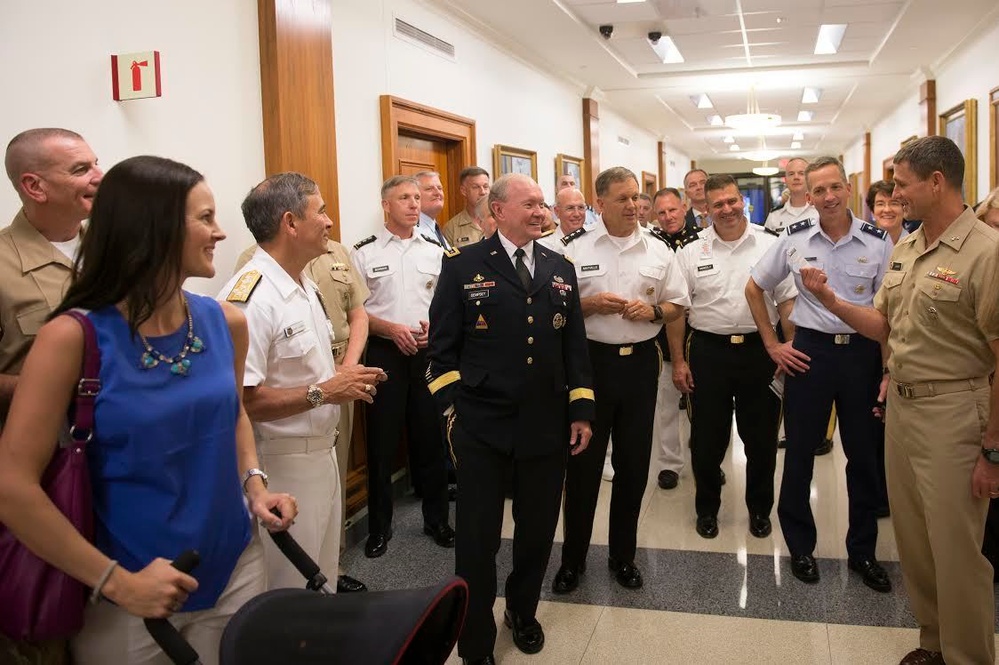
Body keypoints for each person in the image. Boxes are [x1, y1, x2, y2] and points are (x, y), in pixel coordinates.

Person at [0, 156, 299, 665]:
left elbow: (233, 414)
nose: (220, 232)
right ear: (152, 228)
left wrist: (254, 483)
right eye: (205, 218)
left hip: (235, 562)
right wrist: (115, 582)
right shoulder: (71, 337)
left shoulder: (226, 321)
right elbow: (12, 486)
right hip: (128, 587)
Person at [799, 136, 999, 665]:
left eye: (903, 184)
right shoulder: (908, 247)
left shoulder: (986, 252)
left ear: (936, 182)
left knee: (957, 553)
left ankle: (969, 657)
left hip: (956, 412)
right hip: (904, 408)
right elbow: (883, 324)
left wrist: (994, 449)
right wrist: (830, 301)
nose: (895, 194)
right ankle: (934, 642)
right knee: (915, 542)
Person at [426, 173, 594, 664]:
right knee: (477, 542)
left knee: (538, 532)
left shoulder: (561, 266)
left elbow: (575, 350)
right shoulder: (462, 266)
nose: (542, 212)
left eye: (544, 204)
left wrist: (581, 409)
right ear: (498, 211)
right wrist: (455, 410)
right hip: (482, 428)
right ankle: (474, 638)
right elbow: (440, 355)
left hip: (546, 426)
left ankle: (523, 612)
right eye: (531, 204)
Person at [220, 173, 385, 593]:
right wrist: (326, 391)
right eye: (322, 211)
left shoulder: (303, 282)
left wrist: (343, 377)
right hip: (281, 464)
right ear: (290, 223)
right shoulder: (252, 297)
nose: (330, 221)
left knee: (323, 573)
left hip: (322, 453)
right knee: (291, 586)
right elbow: (242, 401)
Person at [746, 156, 893, 593]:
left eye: (835, 187)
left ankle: (863, 551)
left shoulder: (879, 241)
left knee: (864, 458)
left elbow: (889, 314)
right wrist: (773, 344)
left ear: (847, 189)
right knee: (799, 455)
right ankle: (801, 548)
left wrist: (887, 369)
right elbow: (755, 286)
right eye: (819, 191)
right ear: (807, 196)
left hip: (862, 356)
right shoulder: (792, 239)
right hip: (809, 354)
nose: (828, 197)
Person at [552, 167, 689, 594]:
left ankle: (623, 557)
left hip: (639, 366)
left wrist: (652, 313)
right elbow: (553, 310)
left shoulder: (659, 250)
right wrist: (587, 305)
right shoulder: (571, 249)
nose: (633, 206)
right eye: (623, 199)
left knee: (633, 466)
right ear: (601, 204)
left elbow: (677, 304)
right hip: (589, 366)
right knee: (583, 467)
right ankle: (572, 560)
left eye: (636, 198)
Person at [668, 175, 795, 539]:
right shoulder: (690, 251)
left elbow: (787, 302)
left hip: (761, 351)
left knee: (762, 440)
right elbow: (677, 311)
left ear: (744, 202)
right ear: (705, 208)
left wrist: (789, 347)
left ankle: (759, 511)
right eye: (717, 204)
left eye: (731, 201)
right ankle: (707, 510)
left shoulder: (771, 245)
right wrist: (678, 360)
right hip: (709, 352)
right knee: (707, 441)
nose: (726, 209)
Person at [351, 176, 454, 559]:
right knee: (381, 442)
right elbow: (356, 314)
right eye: (404, 198)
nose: (414, 204)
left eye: (416, 197)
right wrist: (390, 329)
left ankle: (437, 520)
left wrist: (437, 329)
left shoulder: (435, 249)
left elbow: (447, 304)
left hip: (427, 353)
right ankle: (379, 528)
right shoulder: (363, 253)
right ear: (386, 205)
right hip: (384, 354)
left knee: (431, 438)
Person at [0, 129, 102, 426]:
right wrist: (70, 392)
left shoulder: (117, 249)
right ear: (35, 187)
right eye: (81, 170)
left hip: (122, 449)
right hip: (41, 454)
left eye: (96, 163)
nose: (100, 176)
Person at [650, 187, 701, 490]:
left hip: (699, 334)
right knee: (665, 404)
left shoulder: (702, 240)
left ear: (684, 208)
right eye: (661, 212)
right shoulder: (651, 245)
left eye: (673, 210)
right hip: (662, 336)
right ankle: (669, 463)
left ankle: (706, 460)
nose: (668, 217)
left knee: (704, 408)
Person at [764, 158, 814, 234]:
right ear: (786, 180)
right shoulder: (774, 216)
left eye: (801, 173)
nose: (796, 177)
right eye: (791, 174)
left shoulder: (821, 211)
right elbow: (767, 244)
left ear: (809, 178)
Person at [444, 167, 490, 248]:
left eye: (485, 187)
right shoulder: (452, 228)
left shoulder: (501, 221)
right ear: (463, 191)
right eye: (476, 187)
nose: (483, 192)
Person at [415, 171, 453, 250]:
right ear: (415, 196)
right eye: (429, 189)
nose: (437, 193)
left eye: (439, 188)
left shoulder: (434, 228)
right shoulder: (411, 231)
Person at [868, 179, 907, 244]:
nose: (887, 210)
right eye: (880, 204)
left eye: (894, 203)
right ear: (873, 212)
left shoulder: (918, 246)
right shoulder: (862, 246)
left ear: (904, 209)